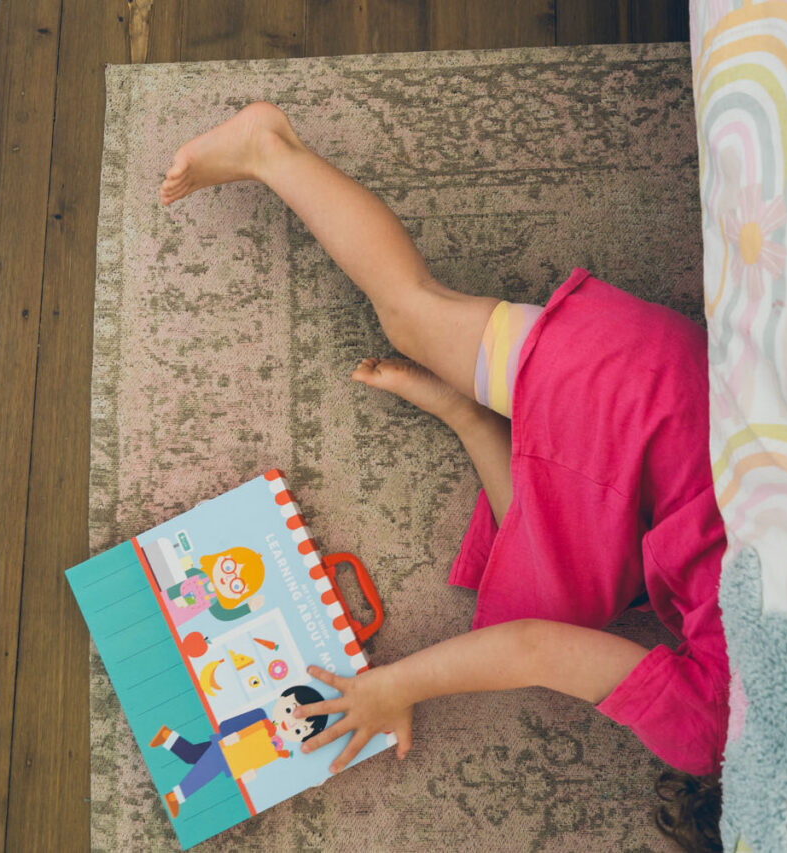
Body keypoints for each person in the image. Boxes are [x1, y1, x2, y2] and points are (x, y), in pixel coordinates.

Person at [159, 102, 729, 846]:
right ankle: (270, 147)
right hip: (636, 394)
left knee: (562, 599)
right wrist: (389, 687)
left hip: (674, 411)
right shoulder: (710, 734)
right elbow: (535, 650)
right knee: (411, 311)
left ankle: (473, 417)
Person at [148, 684, 328, 817]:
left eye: (299, 730)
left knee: (192, 755)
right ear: (282, 699)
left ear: (301, 738)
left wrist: (251, 771)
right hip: (224, 749)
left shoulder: (276, 748)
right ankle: (175, 796)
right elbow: (227, 725)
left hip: (234, 761)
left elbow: (258, 758)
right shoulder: (260, 716)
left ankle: (166, 736)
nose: (290, 723)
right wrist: (233, 736)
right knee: (203, 773)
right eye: (289, 709)